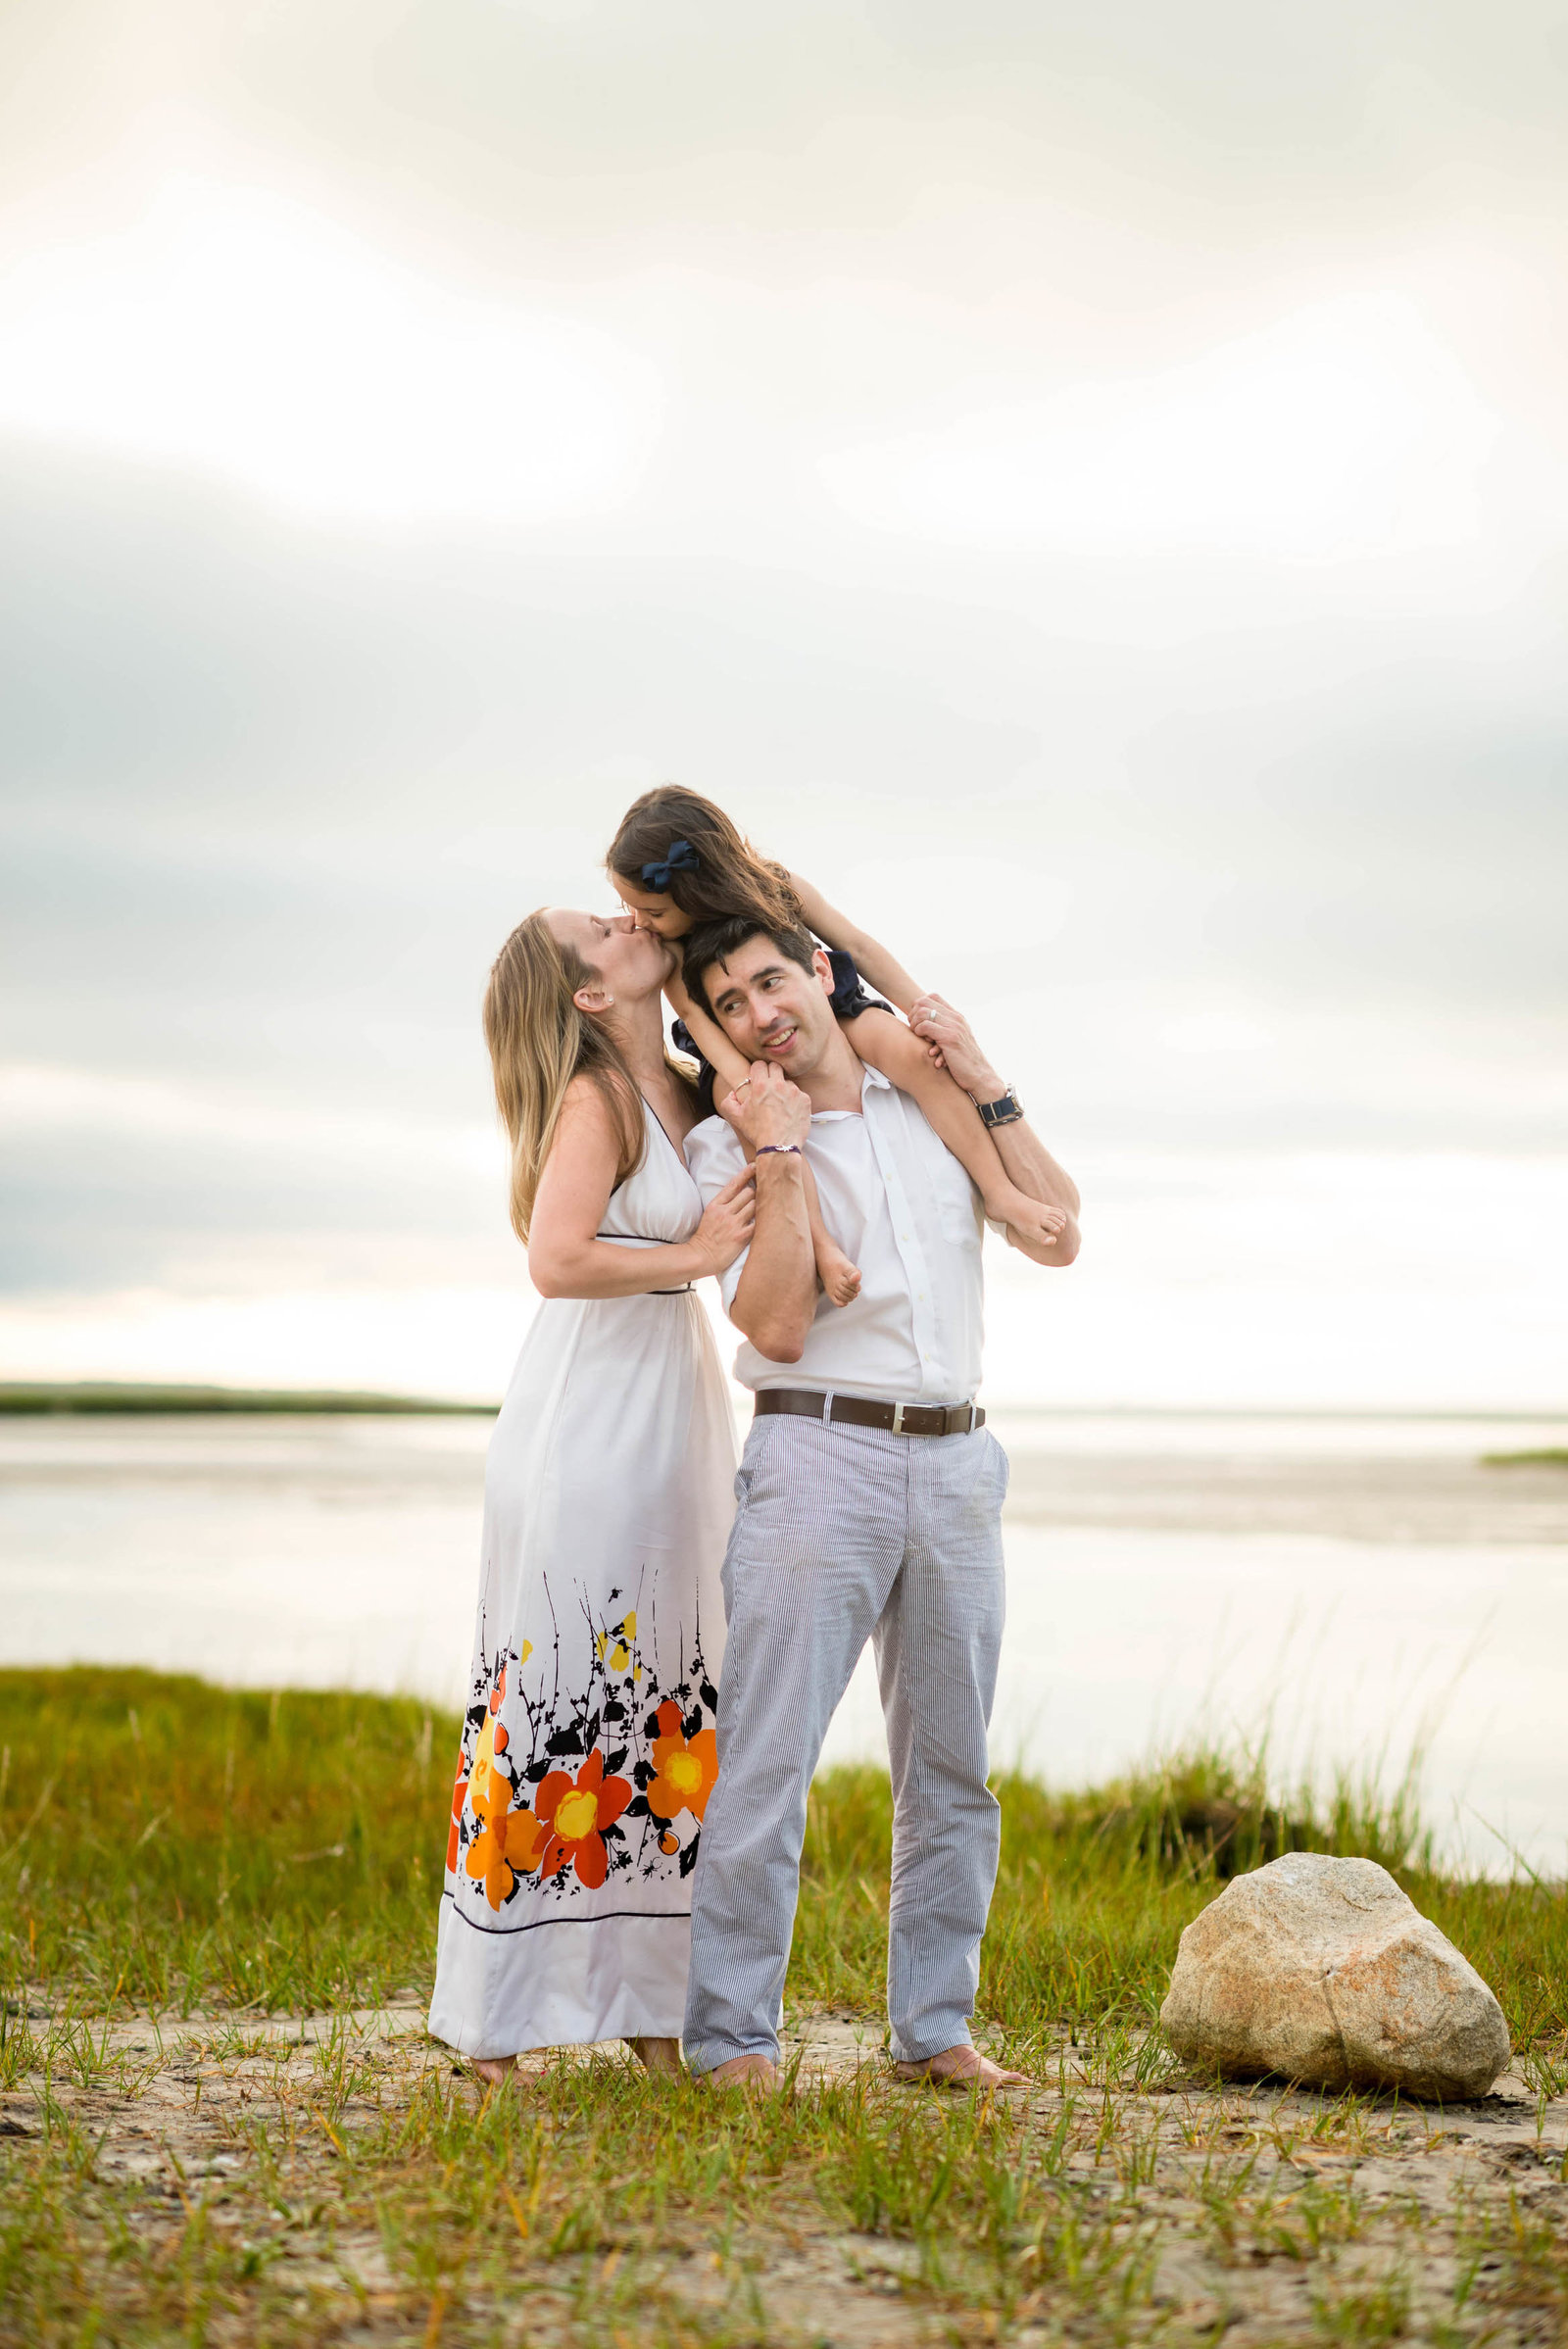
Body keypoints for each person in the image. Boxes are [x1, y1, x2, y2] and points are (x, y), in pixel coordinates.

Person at [677, 909, 1080, 2091]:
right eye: (732, 1004)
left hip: (959, 1461)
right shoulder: (727, 1146)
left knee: (954, 1768)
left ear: (814, 971)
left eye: (770, 981)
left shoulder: (927, 1103)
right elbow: (773, 1322)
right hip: (817, 1456)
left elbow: (1057, 1231)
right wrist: (779, 1152)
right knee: (765, 1761)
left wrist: (990, 1077)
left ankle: (933, 2030)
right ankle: (733, 2039)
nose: (761, 1014)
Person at [428, 908, 755, 2083]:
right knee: (567, 1691)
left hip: (673, 1404)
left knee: (667, 1699)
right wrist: (700, 1257)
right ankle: (493, 2019)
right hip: (591, 1419)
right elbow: (557, 1260)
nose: (627, 921)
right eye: (600, 928)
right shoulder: (594, 1101)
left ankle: (652, 2015)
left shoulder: (674, 1075)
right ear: (583, 996)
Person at [606, 787, 1067, 1307]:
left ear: (697, 888)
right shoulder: (671, 951)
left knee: (917, 1058)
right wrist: (747, 1085)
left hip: (823, 1005)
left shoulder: (779, 887)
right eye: (632, 909)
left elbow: (860, 946)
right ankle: (823, 1247)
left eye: (653, 910)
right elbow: (694, 1016)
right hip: (726, 1042)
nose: (641, 923)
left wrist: (927, 1015)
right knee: (764, 1130)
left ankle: (1000, 1191)